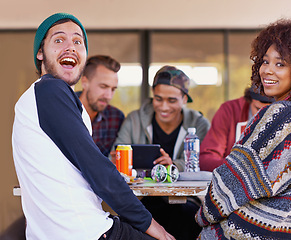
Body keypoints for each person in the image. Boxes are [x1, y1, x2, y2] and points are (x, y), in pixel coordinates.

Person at [12, 13, 174, 240]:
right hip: (84, 231)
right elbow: (97, 167)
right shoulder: (50, 91)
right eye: (59, 40)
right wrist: (152, 226)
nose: (70, 47)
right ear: (40, 53)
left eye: (78, 42)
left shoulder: (44, 97)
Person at [195, 19, 291, 239]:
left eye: (280, 64)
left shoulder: (278, 114)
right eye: (265, 62)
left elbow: (229, 183)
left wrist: (201, 216)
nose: (267, 71)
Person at [114, 65, 210, 240]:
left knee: (185, 216)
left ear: (184, 99)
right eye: (158, 99)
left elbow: (203, 161)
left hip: (185, 199)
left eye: (172, 100)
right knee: (131, 219)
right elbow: (117, 152)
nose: (164, 106)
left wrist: (173, 165)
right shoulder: (135, 119)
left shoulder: (199, 123)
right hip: (142, 197)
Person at [199, 85, 274, 171]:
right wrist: (235, 166)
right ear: (249, 100)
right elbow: (206, 159)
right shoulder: (229, 111)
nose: (264, 115)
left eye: (271, 110)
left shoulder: (289, 115)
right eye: (258, 109)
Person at [77, 55, 124, 157]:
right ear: (85, 82)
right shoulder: (64, 109)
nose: (108, 96)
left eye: (113, 89)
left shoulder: (116, 118)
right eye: (103, 87)